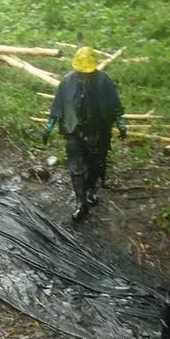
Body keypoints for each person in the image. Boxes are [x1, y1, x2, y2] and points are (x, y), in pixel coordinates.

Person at [43, 46, 126, 222]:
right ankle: (81, 203)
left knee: (96, 163)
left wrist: (120, 122)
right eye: (82, 72)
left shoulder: (104, 81)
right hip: (74, 129)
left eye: (88, 72)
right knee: (76, 165)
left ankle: (90, 189)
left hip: (99, 129)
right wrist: (49, 125)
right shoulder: (67, 82)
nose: (85, 76)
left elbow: (114, 103)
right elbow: (58, 105)